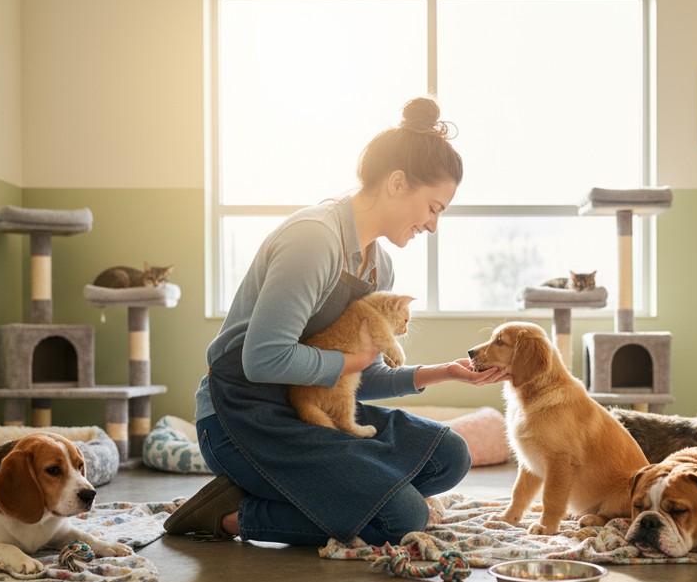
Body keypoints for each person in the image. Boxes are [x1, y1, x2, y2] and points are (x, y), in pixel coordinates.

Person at [164, 97, 507, 545]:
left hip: (315, 410)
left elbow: (361, 372)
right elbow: (263, 360)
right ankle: (230, 513)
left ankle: (317, 490)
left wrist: (439, 373)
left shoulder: (379, 266)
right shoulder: (314, 239)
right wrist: (353, 360)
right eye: (434, 208)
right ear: (398, 183)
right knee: (401, 517)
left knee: (449, 455)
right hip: (244, 416)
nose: (433, 225)